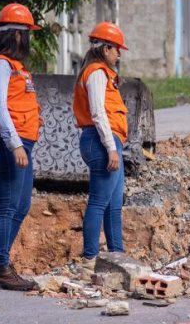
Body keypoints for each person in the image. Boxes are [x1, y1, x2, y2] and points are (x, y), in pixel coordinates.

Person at [0, 3, 42, 291]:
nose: (29, 40)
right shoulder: (0, 64)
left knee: (21, 204)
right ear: (16, 35)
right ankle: (1, 268)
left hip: (18, 142)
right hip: (7, 142)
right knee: (7, 204)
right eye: (27, 33)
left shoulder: (14, 66)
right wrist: (14, 144)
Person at [72, 22, 129, 276]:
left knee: (113, 205)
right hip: (101, 141)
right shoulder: (96, 72)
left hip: (106, 141)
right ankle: (89, 261)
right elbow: (97, 112)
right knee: (98, 203)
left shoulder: (103, 73)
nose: (119, 54)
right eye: (117, 49)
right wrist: (111, 148)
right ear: (106, 48)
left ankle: (117, 257)